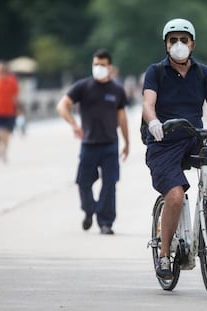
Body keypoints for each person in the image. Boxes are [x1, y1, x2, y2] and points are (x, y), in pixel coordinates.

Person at [142, 18, 207, 280]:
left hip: (193, 136)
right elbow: (148, 104)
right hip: (164, 142)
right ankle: (164, 256)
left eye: (183, 40)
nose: (178, 44)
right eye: (173, 40)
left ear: (192, 44)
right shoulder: (155, 72)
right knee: (175, 196)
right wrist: (154, 122)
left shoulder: (202, 72)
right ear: (166, 45)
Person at [57, 48, 129, 235]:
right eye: (96, 64)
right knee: (83, 182)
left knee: (109, 184)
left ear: (109, 67)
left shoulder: (117, 90)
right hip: (88, 143)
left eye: (102, 65)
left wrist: (127, 142)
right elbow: (62, 105)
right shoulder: (83, 87)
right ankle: (90, 211)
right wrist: (73, 124)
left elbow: (122, 118)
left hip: (110, 144)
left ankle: (106, 222)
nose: (98, 68)